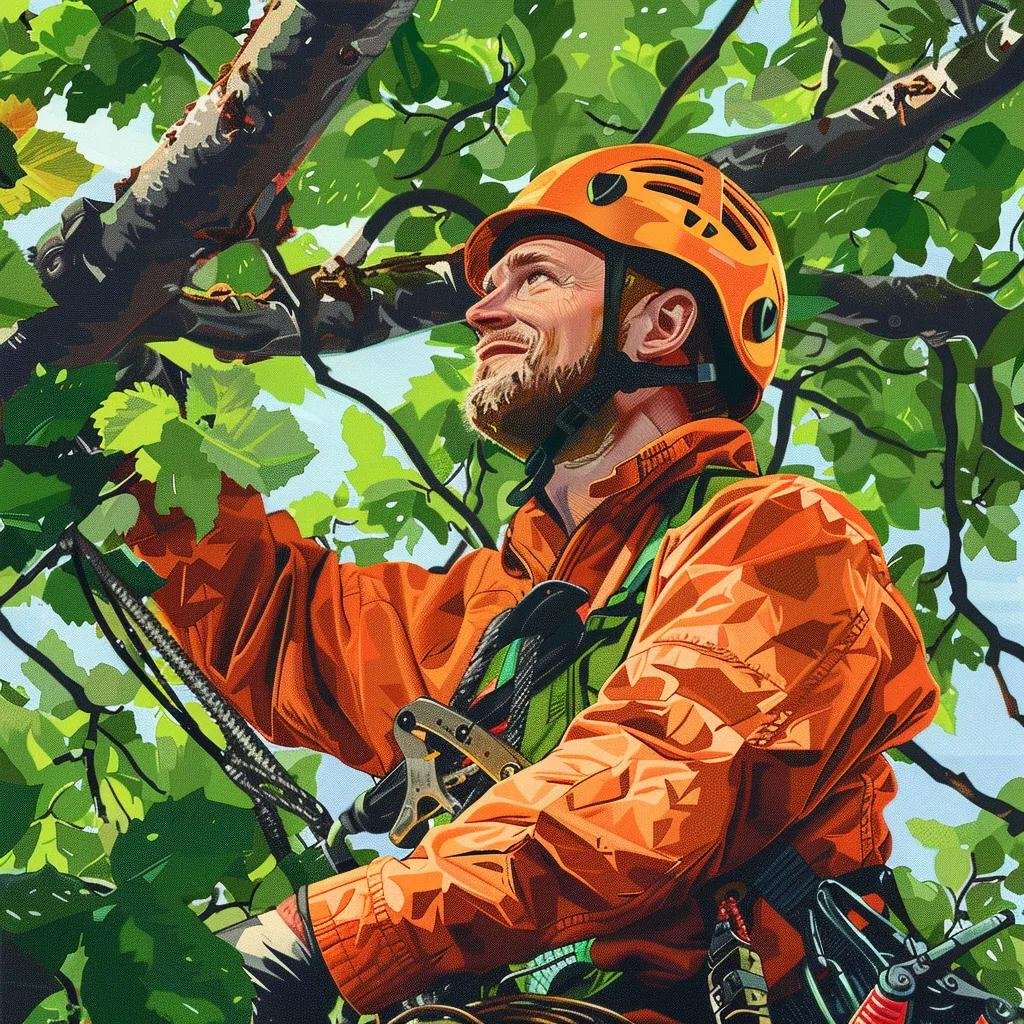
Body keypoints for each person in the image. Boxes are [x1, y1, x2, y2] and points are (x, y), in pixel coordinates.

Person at [123, 144, 938, 1022]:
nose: (482, 310)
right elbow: (279, 623)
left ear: (658, 327)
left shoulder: (784, 542)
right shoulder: (501, 613)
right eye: (491, 284)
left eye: (534, 279)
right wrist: (141, 432)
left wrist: (333, 934)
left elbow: (655, 779)